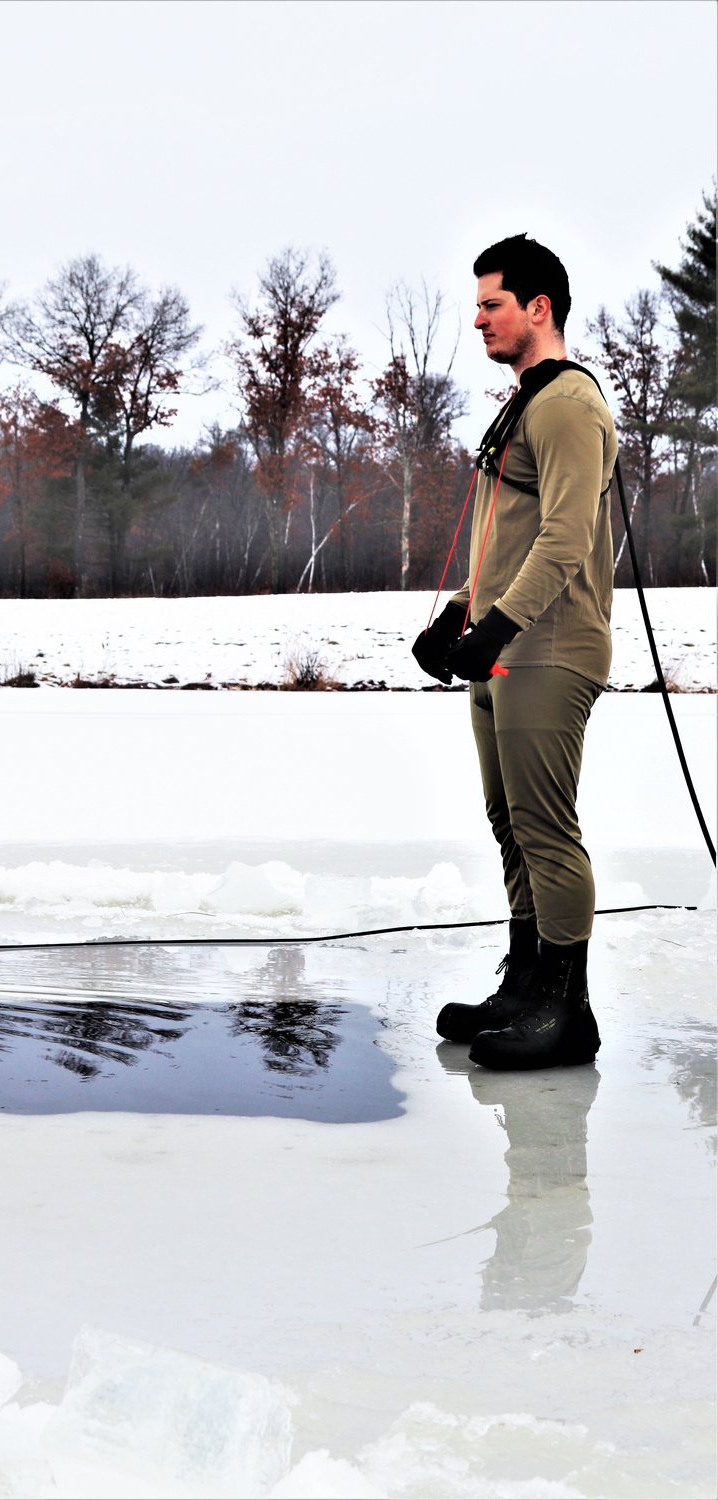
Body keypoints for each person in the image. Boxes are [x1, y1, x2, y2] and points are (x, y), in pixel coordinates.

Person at [412, 234, 617, 1071]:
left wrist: (499, 627)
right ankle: (527, 987)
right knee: (509, 825)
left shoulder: (568, 403)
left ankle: (568, 1012)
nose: (478, 319)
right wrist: (461, 614)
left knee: (545, 827)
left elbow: (567, 535)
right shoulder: (526, 404)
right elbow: (510, 535)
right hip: (506, 646)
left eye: (491, 303)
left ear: (539, 308)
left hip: (551, 644)